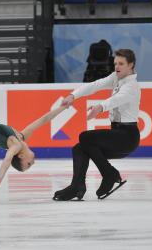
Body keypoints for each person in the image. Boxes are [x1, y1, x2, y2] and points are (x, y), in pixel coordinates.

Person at [53, 49, 141, 201]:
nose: (117, 67)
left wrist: (100, 107)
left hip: (127, 137)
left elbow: (117, 99)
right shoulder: (116, 78)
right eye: (115, 63)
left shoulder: (132, 86)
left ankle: (109, 174)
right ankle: (77, 186)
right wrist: (72, 96)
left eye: (121, 64)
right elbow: (95, 85)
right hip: (117, 134)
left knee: (85, 137)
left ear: (131, 65)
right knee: (79, 148)